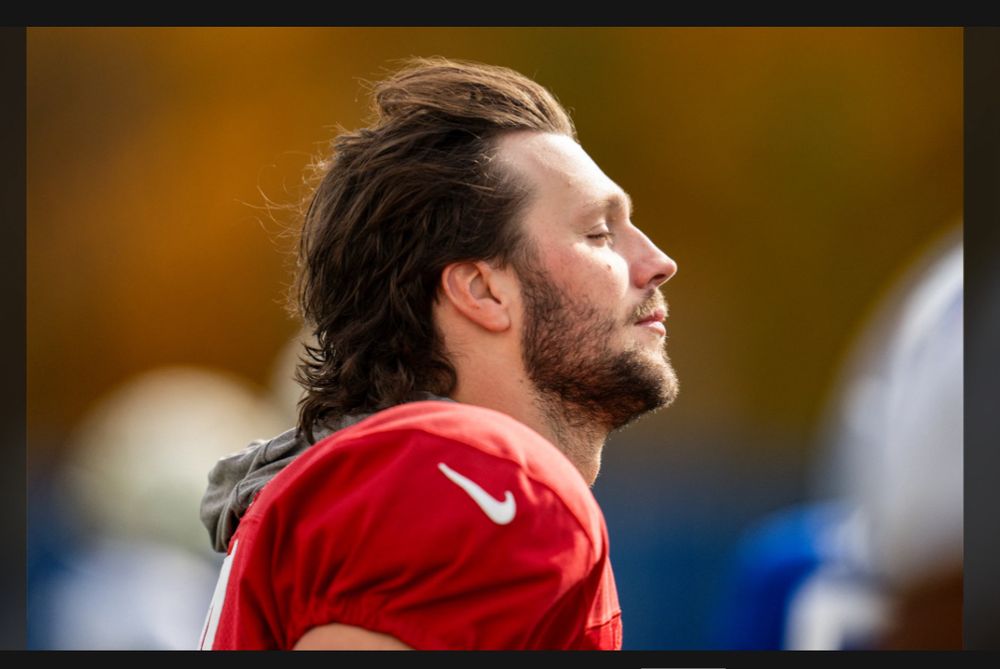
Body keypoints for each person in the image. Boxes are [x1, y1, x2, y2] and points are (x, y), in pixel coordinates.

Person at [198, 56, 679, 650]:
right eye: (600, 233)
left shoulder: (386, 482)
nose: (659, 261)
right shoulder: (472, 475)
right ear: (481, 290)